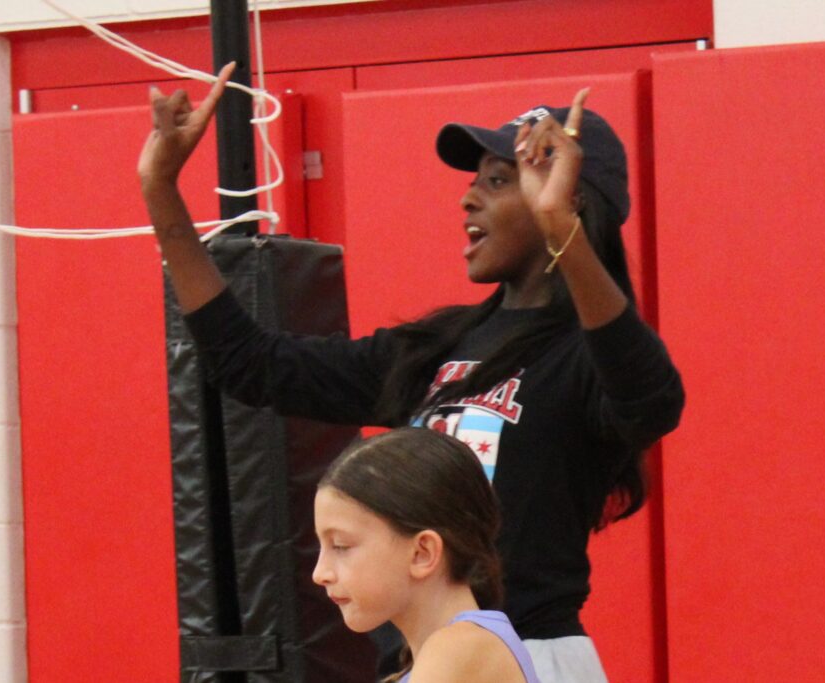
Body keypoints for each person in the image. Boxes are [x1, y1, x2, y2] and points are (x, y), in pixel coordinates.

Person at [139, 64, 685, 683]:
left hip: (530, 653)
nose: (468, 198)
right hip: (426, 658)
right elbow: (250, 364)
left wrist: (560, 226)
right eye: (474, 182)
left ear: (569, 201)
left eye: (499, 181)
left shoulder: (589, 355)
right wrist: (162, 191)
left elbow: (653, 400)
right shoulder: (440, 347)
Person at [313, 427, 540, 683]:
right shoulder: (449, 649)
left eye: (341, 546)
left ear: (422, 553)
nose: (319, 573)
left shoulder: (459, 647)